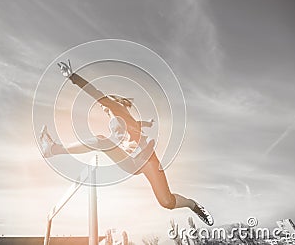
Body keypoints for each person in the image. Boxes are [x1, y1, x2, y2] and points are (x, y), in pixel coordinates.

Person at [39, 61, 214, 226]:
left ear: (114, 103)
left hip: (147, 159)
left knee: (166, 202)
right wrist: (146, 123)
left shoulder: (118, 109)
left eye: (105, 105)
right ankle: (52, 148)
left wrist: (73, 77)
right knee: (101, 140)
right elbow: (136, 124)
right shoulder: (122, 120)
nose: (103, 108)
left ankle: (192, 205)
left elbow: (96, 93)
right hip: (129, 162)